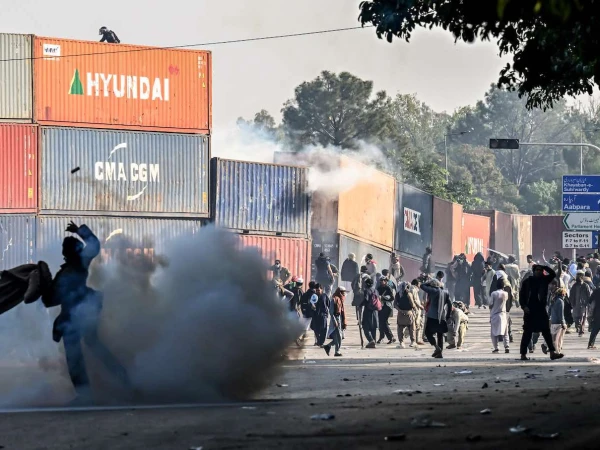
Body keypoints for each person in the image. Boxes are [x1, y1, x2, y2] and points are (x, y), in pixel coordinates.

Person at [42, 222, 131, 399]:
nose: (64, 252)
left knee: (76, 355)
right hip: (79, 313)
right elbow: (51, 300)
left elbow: (94, 245)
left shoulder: (77, 265)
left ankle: (87, 392)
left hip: (78, 314)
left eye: (66, 248)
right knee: (91, 346)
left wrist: (79, 230)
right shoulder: (69, 270)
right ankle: (122, 379)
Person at [519, 264, 564, 361]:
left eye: (540, 270)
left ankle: (552, 353)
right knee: (527, 332)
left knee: (546, 332)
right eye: (537, 270)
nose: (539, 272)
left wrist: (544, 267)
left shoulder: (544, 280)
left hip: (541, 309)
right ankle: (523, 354)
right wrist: (524, 306)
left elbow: (553, 274)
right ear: (534, 271)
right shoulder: (527, 282)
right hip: (530, 310)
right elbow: (521, 295)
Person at [420, 279, 452, 358]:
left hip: (432, 316)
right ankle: (440, 353)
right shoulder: (445, 292)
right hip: (442, 316)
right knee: (440, 335)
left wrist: (428, 282)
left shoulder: (433, 291)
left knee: (427, 333)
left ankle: (436, 347)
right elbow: (450, 305)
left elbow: (422, 285)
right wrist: (448, 315)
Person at [394, 280, 423, 348]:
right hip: (409, 313)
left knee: (400, 328)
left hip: (400, 314)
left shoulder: (398, 294)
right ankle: (413, 342)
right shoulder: (409, 294)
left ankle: (401, 342)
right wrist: (416, 309)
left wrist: (400, 310)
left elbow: (395, 305)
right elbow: (412, 304)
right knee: (412, 328)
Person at [543, 279, 567, 354]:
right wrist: (563, 323)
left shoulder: (553, 299)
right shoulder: (560, 301)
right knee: (558, 339)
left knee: (553, 337)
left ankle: (549, 348)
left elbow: (549, 310)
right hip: (558, 323)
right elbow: (561, 314)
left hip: (553, 321)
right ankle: (557, 351)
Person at [323, 287, 347, 357]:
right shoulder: (334, 299)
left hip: (340, 319)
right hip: (336, 319)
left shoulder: (341, 299)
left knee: (340, 336)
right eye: (343, 292)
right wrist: (335, 321)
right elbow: (331, 312)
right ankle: (337, 351)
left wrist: (344, 321)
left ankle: (328, 346)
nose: (344, 294)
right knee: (339, 336)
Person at [490, 279, 511, 353]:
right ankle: (507, 346)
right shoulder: (506, 293)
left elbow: (491, 304)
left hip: (495, 314)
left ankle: (496, 348)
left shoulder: (494, 293)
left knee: (494, 333)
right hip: (503, 314)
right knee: (505, 332)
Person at [570, 270, 592, 336]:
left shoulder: (585, 285)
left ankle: (581, 331)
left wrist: (588, 303)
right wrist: (571, 303)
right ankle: (578, 326)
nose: (579, 276)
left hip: (583, 305)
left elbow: (589, 295)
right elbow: (571, 295)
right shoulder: (574, 286)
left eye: (580, 275)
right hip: (575, 304)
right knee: (576, 318)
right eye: (578, 275)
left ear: (582, 276)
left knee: (583, 317)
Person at [361, 278, 380, 348]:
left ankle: (371, 340)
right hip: (375, 311)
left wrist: (360, 304)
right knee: (373, 327)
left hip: (368, 311)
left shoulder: (366, 291)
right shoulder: (376, 291)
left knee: (365, 327)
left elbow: (366, 300)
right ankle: (373, 342)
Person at [376, 276, 396, 344]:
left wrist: (384, 297)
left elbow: (392, 298)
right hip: (380, 306)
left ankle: (391, 337)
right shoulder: (378, 288)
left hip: (387, 306)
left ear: (386, 281)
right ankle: (381, 337)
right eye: (381, 280)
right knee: (380, 323)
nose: (382, 282)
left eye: (384, 280)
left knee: (384, 322)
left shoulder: (388, 288)